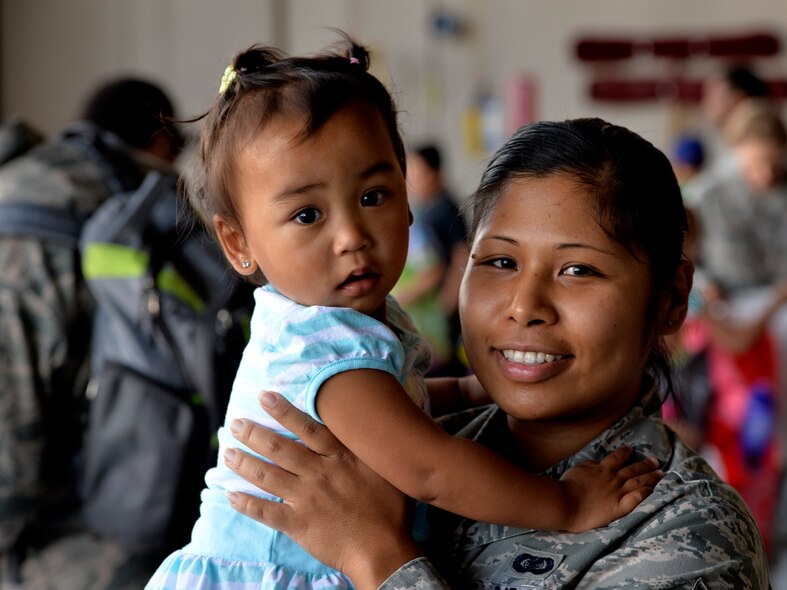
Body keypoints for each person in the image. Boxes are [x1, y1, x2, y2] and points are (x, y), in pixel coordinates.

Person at [147, 43, 661, 590]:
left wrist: (461, 391)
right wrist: (566, 503)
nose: (351, 237)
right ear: (237, 240)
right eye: (306, 214)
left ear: (407, 194)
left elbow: (383, 409)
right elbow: (431, 469)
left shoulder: (340, 322)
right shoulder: (322, 346)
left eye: (373, 195)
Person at [222, 118, 772, 588]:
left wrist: (377, 558)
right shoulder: (416, 441)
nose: (523, 307)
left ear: (672, 298)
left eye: (578, 271)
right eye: (500, 262)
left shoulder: (688, 534)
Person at [0, 78, 182, 589]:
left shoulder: (25, 199)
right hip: (173, 534)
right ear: (162, 137)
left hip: (57, 550)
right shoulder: (168, 205)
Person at [693, 109, 787, 548]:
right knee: (743, 403)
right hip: (734, 305)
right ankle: (734, 491)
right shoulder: (710, 193)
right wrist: (706, 298)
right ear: (735, 155)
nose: (764, 174)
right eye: (754, 164)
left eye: (773, 164)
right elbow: (688, 266)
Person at [392, 144, 469, 375]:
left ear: (435, 172)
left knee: (450, 360)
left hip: (447, 299)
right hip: (435, 302)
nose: (412, 178)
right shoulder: (426, 208)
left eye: (418, 171)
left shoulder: (446, 208)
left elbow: (461, 253)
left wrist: (449, 296)